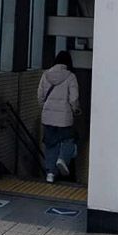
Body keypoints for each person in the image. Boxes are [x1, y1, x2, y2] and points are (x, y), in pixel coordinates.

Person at [38, 50, 81, 184]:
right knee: (69, 139)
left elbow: (40, 96)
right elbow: (73, 98)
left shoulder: (46, 75)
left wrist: (45, 108)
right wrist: (76, 109)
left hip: (48, 116)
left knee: (51, 144)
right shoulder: (71, 76)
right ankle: (63, 158)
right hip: (64, 117)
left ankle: (50, 174)